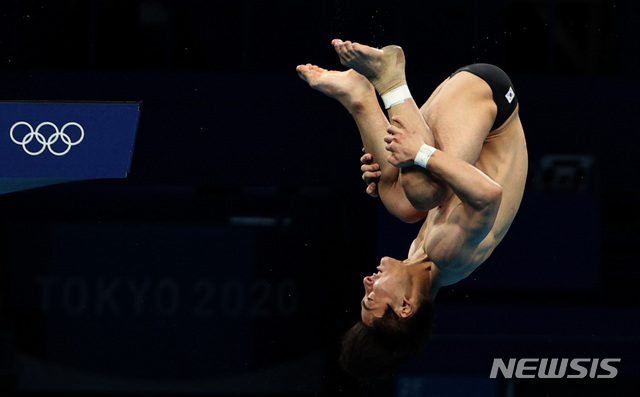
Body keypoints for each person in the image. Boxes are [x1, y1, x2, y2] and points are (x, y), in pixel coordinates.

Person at [296, 39, 528, 377]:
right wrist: (418, 154)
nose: (366, 282)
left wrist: (388, 175)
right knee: (422, 191)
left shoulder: (420, 254)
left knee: (402, 205)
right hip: (491, 99)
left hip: (470, 112)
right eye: (370, 299)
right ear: (406, 307)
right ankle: (389, 80)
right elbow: (489, 194)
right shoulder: (449, 255)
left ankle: (359, 97)